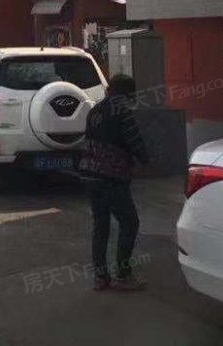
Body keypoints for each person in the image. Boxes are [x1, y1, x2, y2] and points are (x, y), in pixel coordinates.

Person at [79, 73, 151, 291]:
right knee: (130, 222)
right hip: (111, 176)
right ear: (127, 93)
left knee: (100, 225)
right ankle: (124, 275)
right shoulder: (122, 111)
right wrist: (146, 160)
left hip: (89, 174)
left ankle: (101, 277)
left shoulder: (95, 111)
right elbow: (134, 140)